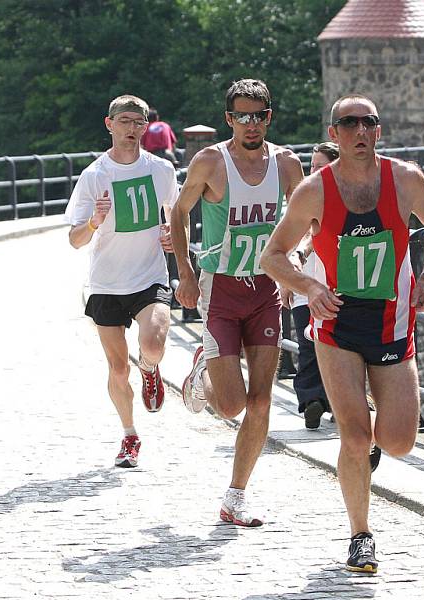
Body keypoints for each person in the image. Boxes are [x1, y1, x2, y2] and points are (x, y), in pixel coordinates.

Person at [261, 93, 424, 573]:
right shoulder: (314, 190)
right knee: (352, 433)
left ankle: (371, 442)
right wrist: (308, 286)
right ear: (334, 134)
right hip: (336, 326)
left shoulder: (405, 179)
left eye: (369, 122)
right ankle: (360, 536)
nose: (360, 131)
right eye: (349, 124)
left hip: (392, 325)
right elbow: (273, 255)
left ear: (379, 130)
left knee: (400, 440)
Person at [171, 79, 304, 527]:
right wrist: (186, 274)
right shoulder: (211, 161)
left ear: (270, 116)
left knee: (262, 399)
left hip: (265, 290)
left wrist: (296, 265)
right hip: (221, 289)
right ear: (229, 119)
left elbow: (306, 218)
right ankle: (205, 367)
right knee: (230, 405)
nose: (251, 124)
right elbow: (179, 211)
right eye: (242, 116)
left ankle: (236, 495)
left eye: (259, 115)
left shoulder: (286, 163)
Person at [64, 94, 178, 469]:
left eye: (138, 122)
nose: (132, 129)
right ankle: (130, 434)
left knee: (154, 343)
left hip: (149, 275)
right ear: (109, 124)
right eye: (124, 121)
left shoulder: (161, 170)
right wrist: (95, 222)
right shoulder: (94, 175)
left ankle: (150, 368)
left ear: (146, 127)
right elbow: (75, 239)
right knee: (116, 369)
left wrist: (171, 237)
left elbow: (176, 218)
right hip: (107, 283)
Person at [282, 142, 339, 429]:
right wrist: (285, 281)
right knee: (309, 345)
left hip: (333, 287)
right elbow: (292, 238)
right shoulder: (305, 196)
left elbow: (311, 235)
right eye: (312, 165)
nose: (313, 171)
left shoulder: (343, 198)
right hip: (305, 285)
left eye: (320, 165)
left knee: (330, 347)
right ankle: (315, 400)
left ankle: (323, 398)